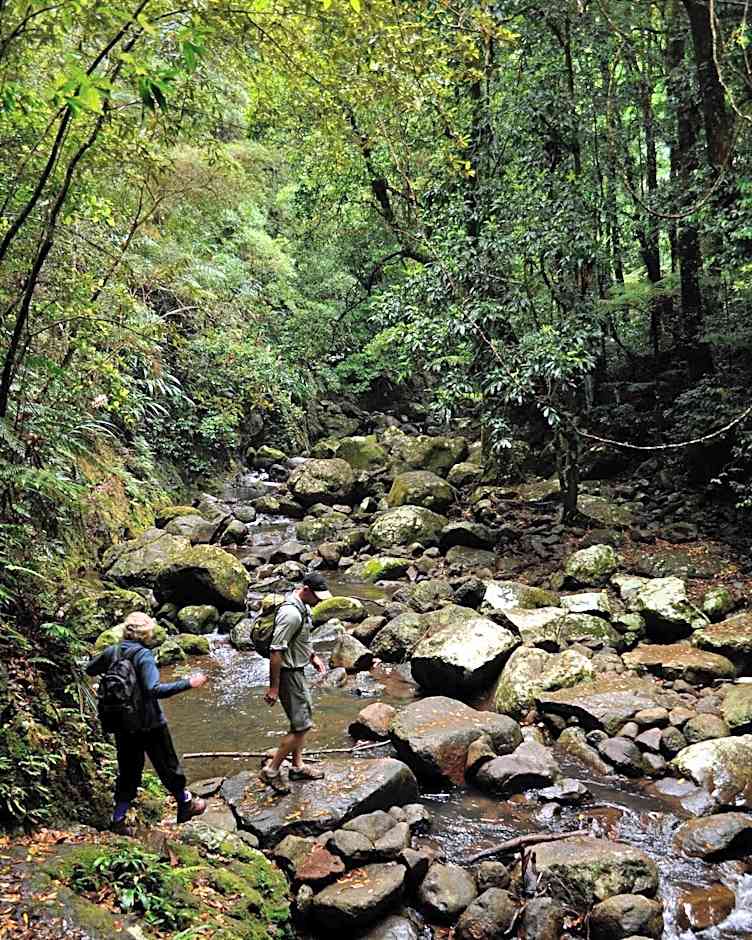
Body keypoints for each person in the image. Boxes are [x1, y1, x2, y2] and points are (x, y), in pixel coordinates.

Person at [86, 611, 208, 833]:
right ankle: (185, 804)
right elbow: (154, 690)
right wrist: (189, 683)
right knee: (168, 766)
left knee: (128, 772)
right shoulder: (144, 656)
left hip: (123, 724)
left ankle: (118, 819)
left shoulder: (113, 651)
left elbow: (89, 669)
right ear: (146, 635)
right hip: (150, 723)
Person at [259, 572, 331, 794]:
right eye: (317, 596)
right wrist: (274, 688)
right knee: (302, 725)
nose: (319, 601)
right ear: (306, 590)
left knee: (299, 722)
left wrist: (312, 656)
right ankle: (271, 770)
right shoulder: (291, 614)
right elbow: (276, 651)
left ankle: (297, 766)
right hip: (289, 674)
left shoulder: (304, 608)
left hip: (297, 670)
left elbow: (301, 639)